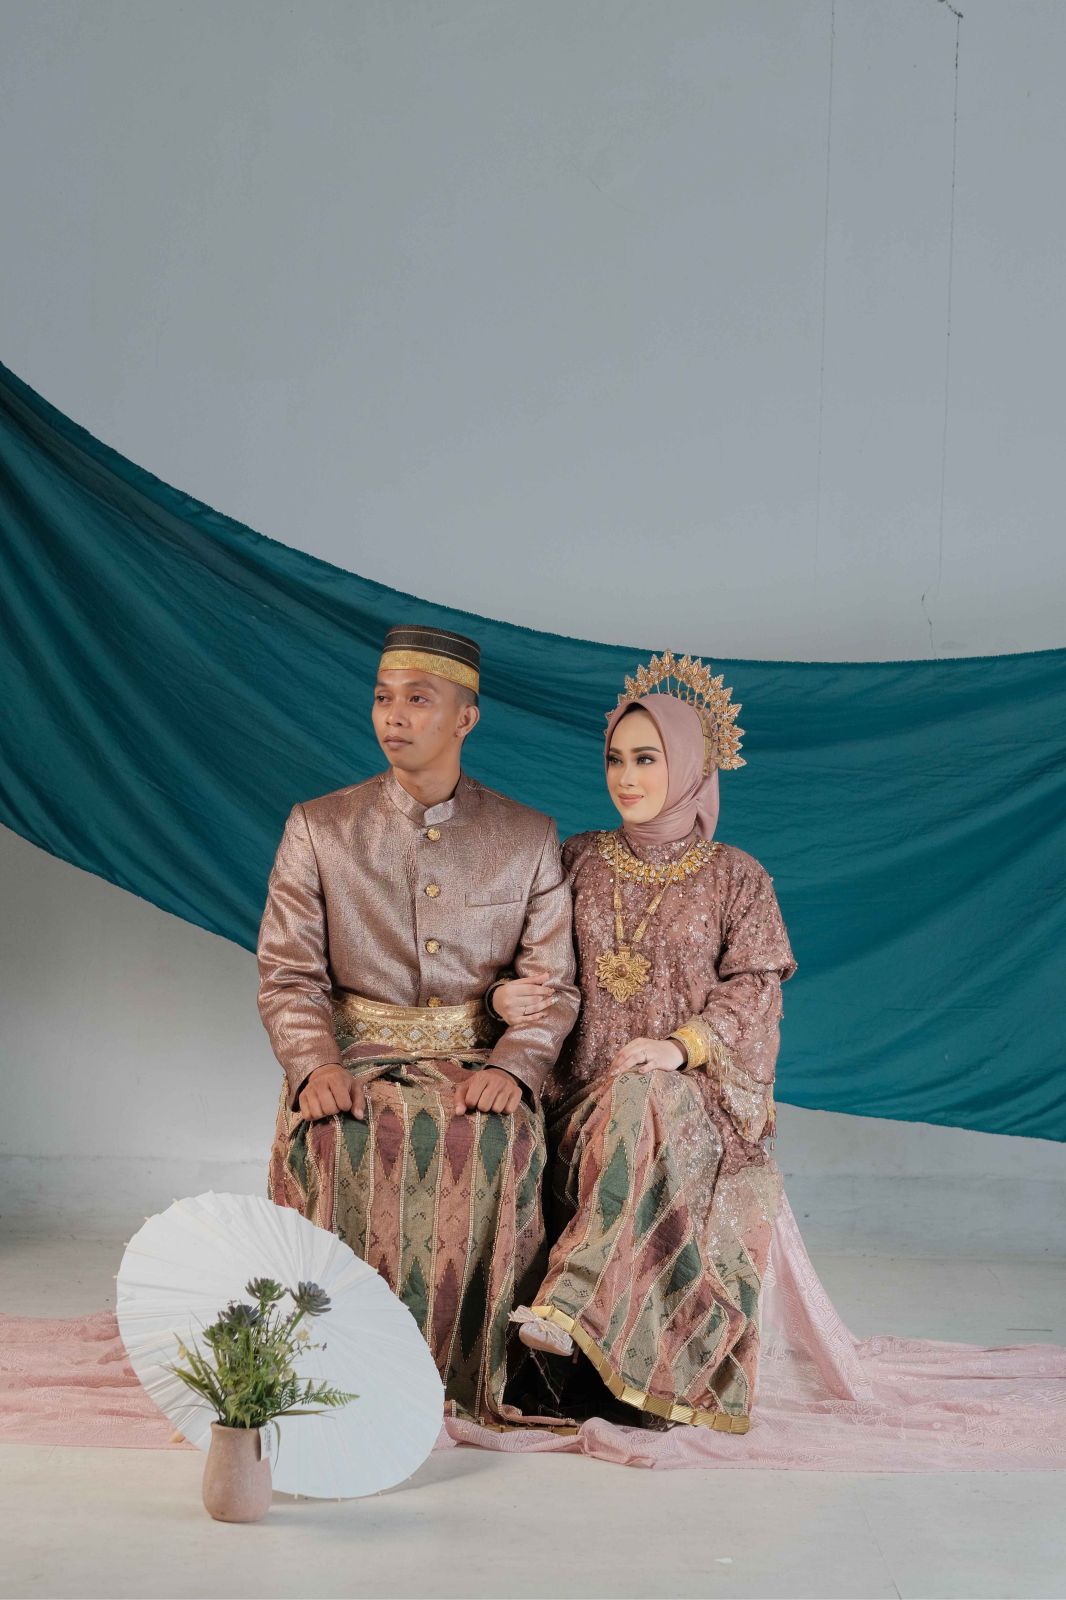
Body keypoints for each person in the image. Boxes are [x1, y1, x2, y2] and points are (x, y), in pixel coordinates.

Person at [257, 623, 580, 1423]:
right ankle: (327, 1374)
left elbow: (554, 987)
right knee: (336, 1138)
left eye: (417, 699)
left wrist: (514, 1067)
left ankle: (472, 1380)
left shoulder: (526, 836)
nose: (393, 715)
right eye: (382, 697)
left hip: (476, 1054)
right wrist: (313, 1063)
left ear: (466, 719)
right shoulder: (319, 826)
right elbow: (288, 973)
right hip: (354, 1053)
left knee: (497, 1141)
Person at [493, 651, 794, 1433]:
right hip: (578, 1098)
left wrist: (681, 1046)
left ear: (690, 765)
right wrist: (503, 994)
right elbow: (520, 956)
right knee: (630, 1095)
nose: (627, 778)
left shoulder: (737, 878)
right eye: (616, 759)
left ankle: (570, 1303)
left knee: (649, 1091)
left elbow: (758, 987)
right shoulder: (576, 860)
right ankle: (574, 1322)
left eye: (648, 759)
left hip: (691, 1108)